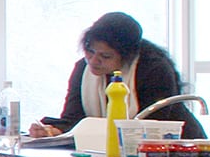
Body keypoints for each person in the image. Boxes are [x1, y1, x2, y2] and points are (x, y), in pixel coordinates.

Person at [30, 12, 206, 139]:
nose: (93, 60)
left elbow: (153, 127)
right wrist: (53, 131)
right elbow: (74, 119)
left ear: (126, 56)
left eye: (105, 56)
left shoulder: (154, 69)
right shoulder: (83, 69)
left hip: (179, 151)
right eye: (89, 51)